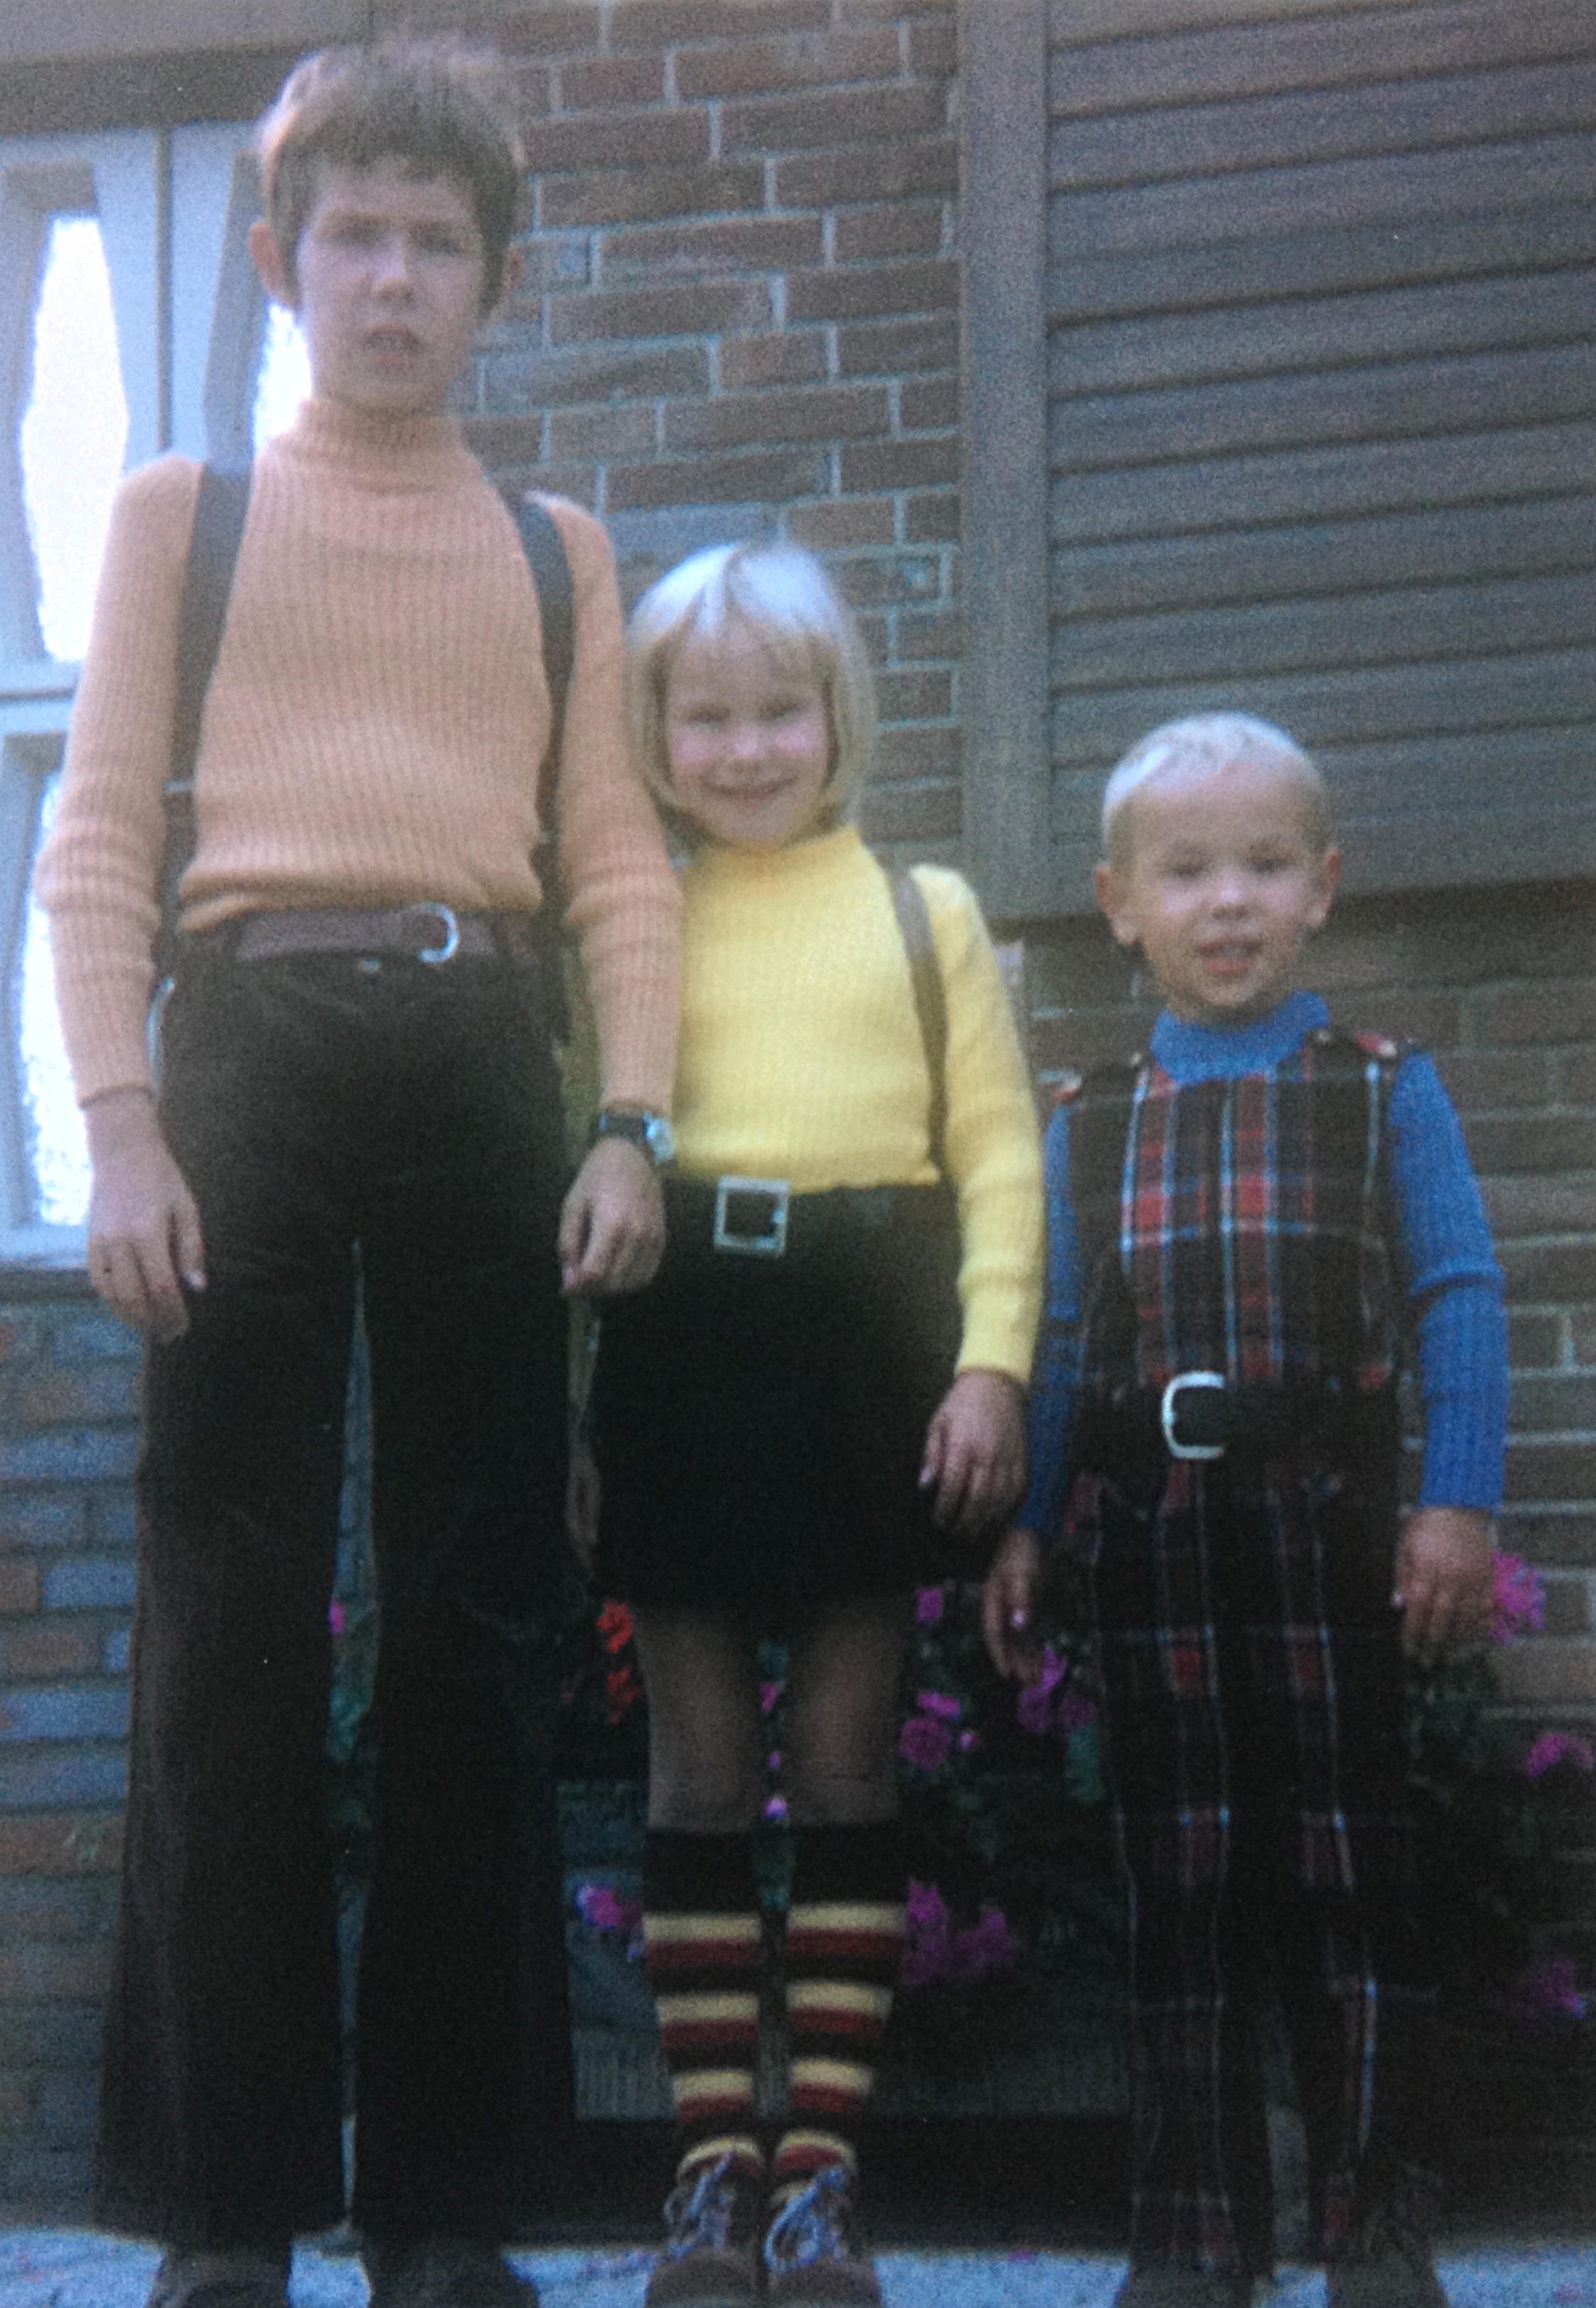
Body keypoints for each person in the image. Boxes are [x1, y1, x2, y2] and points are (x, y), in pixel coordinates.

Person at [35, 41, 681, 2308]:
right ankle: (228, 2209)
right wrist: (116, 1124)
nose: (396, 278)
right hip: (252, 1050)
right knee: (227, 1625)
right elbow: (98, 839)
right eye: (357, 235)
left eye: (439, 243)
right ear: (289, 256)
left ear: (494, 282)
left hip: (485, 1058)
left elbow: (614, 862)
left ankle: (438, 2202)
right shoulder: (182, 514)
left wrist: (630, 1119)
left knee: (481, 1629)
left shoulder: (555, 551)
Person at [983, 713, 1507, 2308]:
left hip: (1332, 1529)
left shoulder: (1379, 1088)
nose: (1228, 901)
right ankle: (1192, 2229)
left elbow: (1456, 1293)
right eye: (1187, 869)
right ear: (1118, 900)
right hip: (1156, 1551)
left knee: (1349, 1869)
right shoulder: (1088, 1119)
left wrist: (1455, 1505)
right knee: (1184, 1881)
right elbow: (1064, 1341)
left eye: (1265, 867)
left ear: (1322, 890)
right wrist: (1026, 1517)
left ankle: (1372, 2220)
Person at [586, 541, 1043, 2308]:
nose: (747, 748)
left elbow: (1000, 1158)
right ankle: (708, 2168)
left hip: (872, 1340)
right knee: (698, 1765)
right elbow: (581, 1172)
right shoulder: (629, 924)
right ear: (657, 733)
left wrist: (989, 1362)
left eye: (781, 709)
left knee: (847, 1756)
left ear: (834, 716)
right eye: (706, 717)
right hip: (681, 1335)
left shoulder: (923, 912)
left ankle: (820, 2183)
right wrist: (575, 1418)